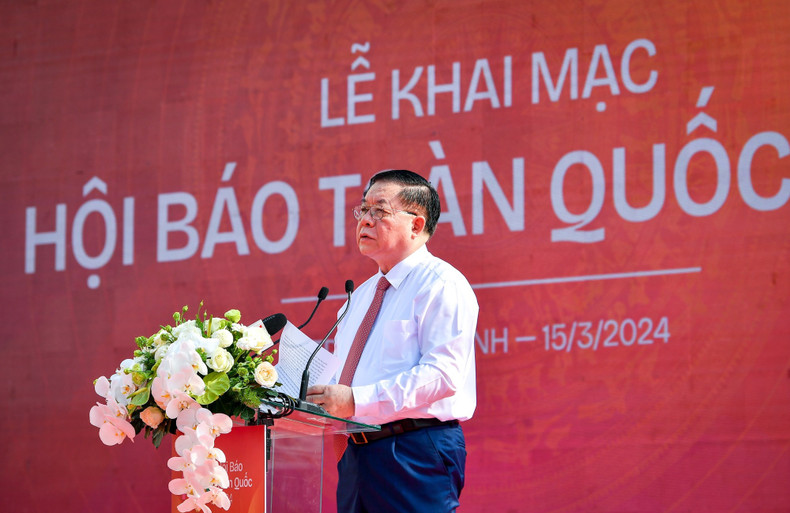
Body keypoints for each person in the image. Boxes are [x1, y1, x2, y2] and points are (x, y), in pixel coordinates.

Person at [306, 169, 479, 513]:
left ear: (416, 225)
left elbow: (442, 375)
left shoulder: (441, 284)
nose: (365, 221)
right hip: (358, 456)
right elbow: (342, 379)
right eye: (362, 210)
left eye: (379, 211)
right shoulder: (359, 297)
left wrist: (356, 400)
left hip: (414, 450)